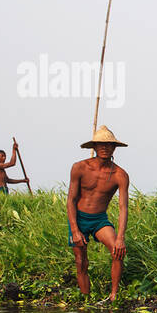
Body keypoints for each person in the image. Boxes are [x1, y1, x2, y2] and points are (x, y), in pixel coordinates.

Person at [67, 125, 130, 303]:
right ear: (94, 147)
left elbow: (123, 207)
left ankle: (113, 296)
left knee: (117, 251)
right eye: (101, 144)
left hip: (99, 220)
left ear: (114, 148)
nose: (105, 148)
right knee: (81, 261)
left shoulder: (120, 175)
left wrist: (120, 237)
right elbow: (71, 200)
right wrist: (75, 230)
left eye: (109, 144)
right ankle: (86, 299)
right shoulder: (79, 168)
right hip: (78, 219)